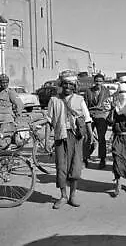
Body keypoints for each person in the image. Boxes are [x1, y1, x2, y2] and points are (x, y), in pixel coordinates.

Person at [47, 70, 94, 209]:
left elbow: (87, 119)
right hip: (60, 137)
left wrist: (91, 136)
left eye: (70, 84)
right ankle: (63, 196)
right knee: (61, 167)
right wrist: (48, 140)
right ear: (61, 84)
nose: (68, 87)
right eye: (65, 84)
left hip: (76, 136)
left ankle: (73, 195)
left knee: (75, 166)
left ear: (75, 86)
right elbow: (49, 121)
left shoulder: (80, 100)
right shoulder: (54, 100)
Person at [83, 73, 111, 169]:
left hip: (102, 115)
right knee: (87, 137)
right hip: (90, 115)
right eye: (97, 81)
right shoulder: (88, 91)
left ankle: (102, 159)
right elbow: (85, 105)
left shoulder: (106, 91)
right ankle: (85, 158)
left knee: (101, 138)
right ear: (94, 81)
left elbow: (108, 104)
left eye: (100, 81)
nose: (98, 83)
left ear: (103, 82)